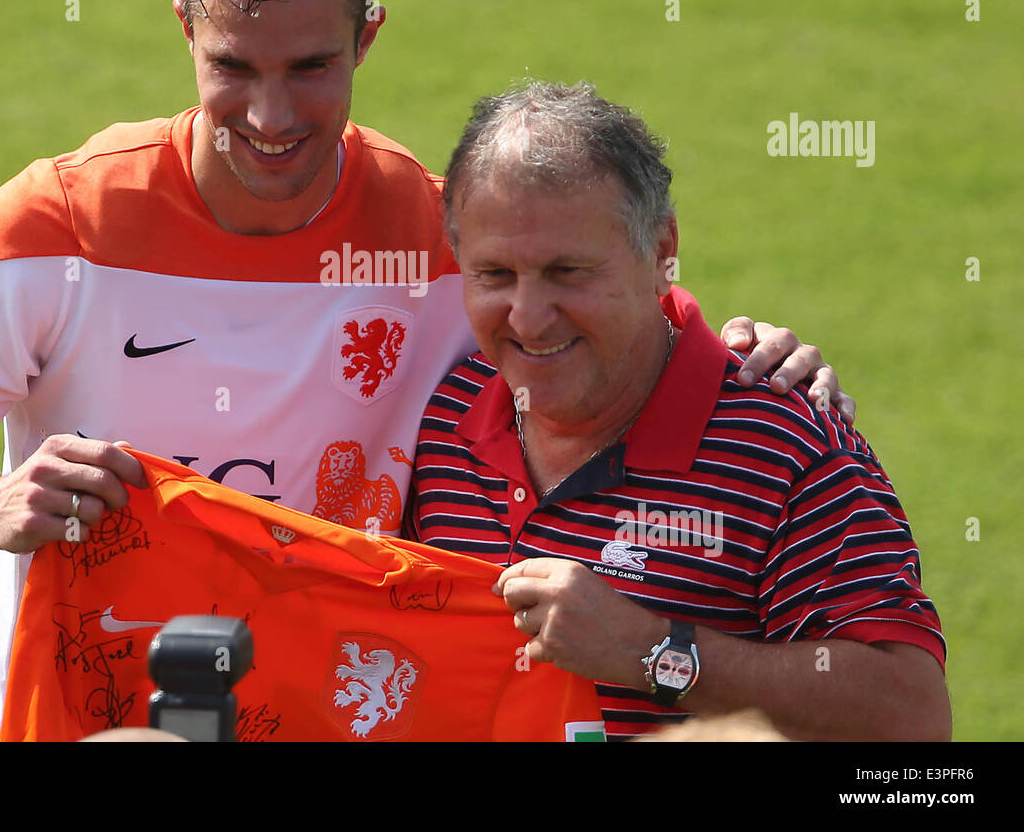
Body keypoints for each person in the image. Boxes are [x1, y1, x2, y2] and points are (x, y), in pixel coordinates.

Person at [0, 0, 849, 742]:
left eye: (311, 67)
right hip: (50, 717)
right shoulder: (51, 232)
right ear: (185, 29)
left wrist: (755, 355)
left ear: (368, 34)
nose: (270, 116)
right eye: (233, 66)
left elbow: (615, 331)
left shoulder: (440, 240)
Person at [406, 80, 950, 741]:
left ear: (662, 249)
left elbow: (912, 718)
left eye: (568, 272)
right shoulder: (441, 415)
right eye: (495, 276)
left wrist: (655, 652)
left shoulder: (787, 447)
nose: (527, 317)